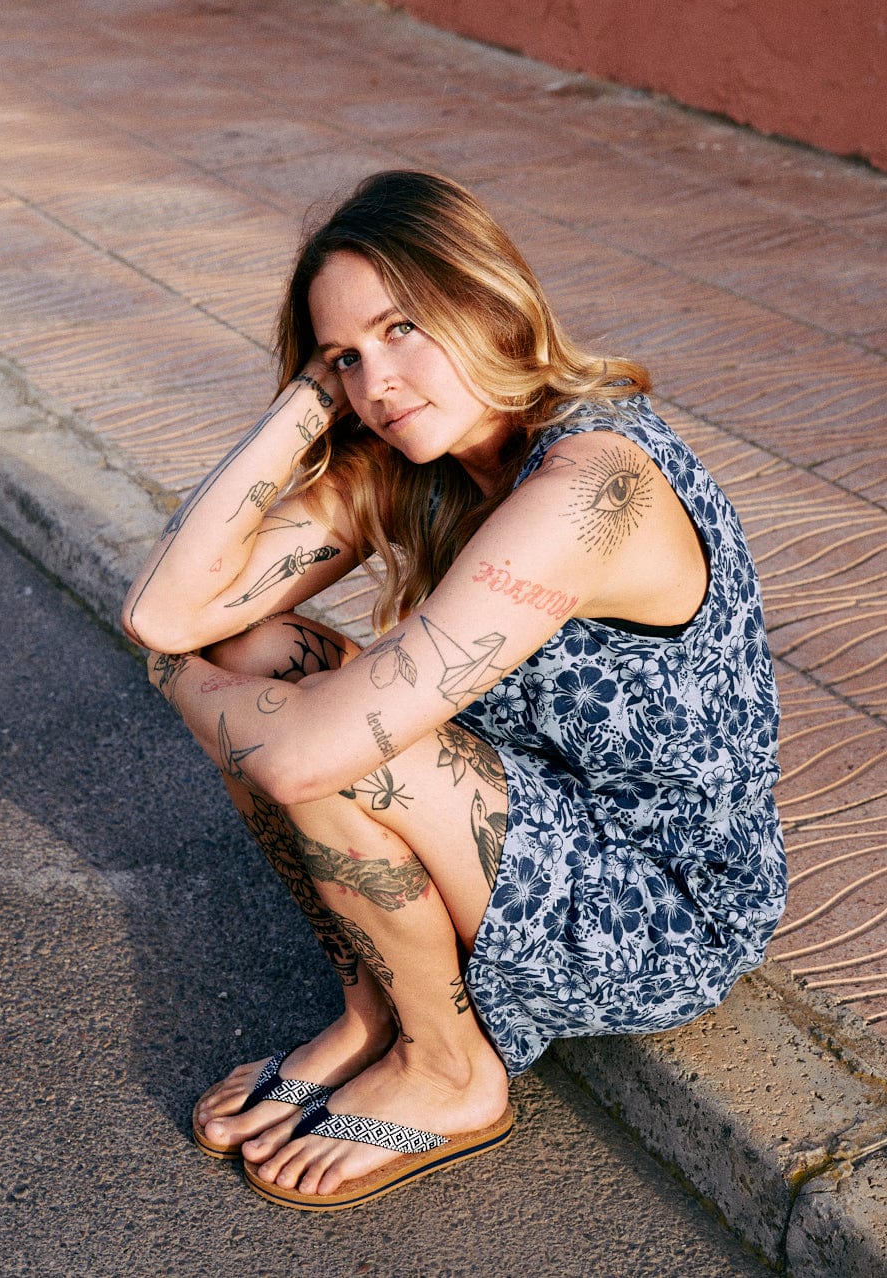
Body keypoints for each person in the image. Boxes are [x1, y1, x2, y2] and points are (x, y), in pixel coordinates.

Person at [121, 170, 787, 1211]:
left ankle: (454, 1072)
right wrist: (303, 401)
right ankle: (373, 1016)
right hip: (530, 812)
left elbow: (282, 743)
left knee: (329, 738)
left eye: (400, 330)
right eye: (346, 357)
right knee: (256, 663)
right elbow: (169, 616)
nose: (376, 382)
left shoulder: (591, 486)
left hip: (662, 905)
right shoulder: (418, 459)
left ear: (489, 301)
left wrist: (180, 688)